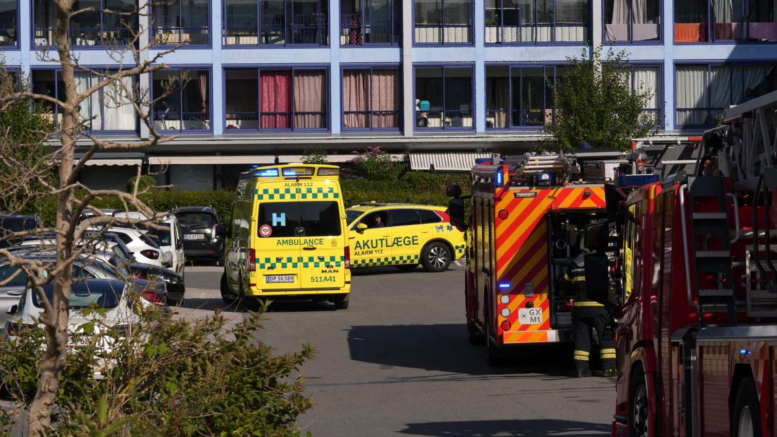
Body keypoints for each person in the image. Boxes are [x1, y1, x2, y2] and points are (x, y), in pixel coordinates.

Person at [561, 234, 616, 378]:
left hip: (580, 309)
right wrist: (615, 306)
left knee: (582, 338)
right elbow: (605, 288)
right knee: (606, 337)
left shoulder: (575, 264)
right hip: (599, 308)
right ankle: (608, 368)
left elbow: (564, 282)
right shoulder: (598, 263)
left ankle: (581, 369)